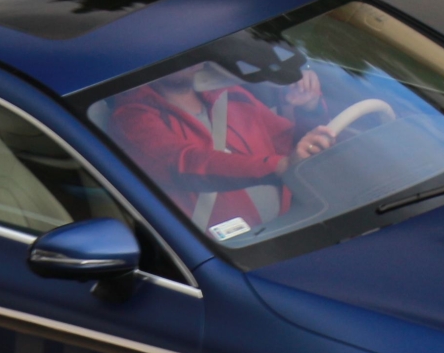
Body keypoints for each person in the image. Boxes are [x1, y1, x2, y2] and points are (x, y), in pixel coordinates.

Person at [108, 62, 336, 240]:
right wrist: (279, 167)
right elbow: (188, 164)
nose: (186, 58)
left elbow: (288, 143)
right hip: (230, 254)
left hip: (291, 226)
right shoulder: (131, 117)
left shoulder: (229, 93)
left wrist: (309, 108)